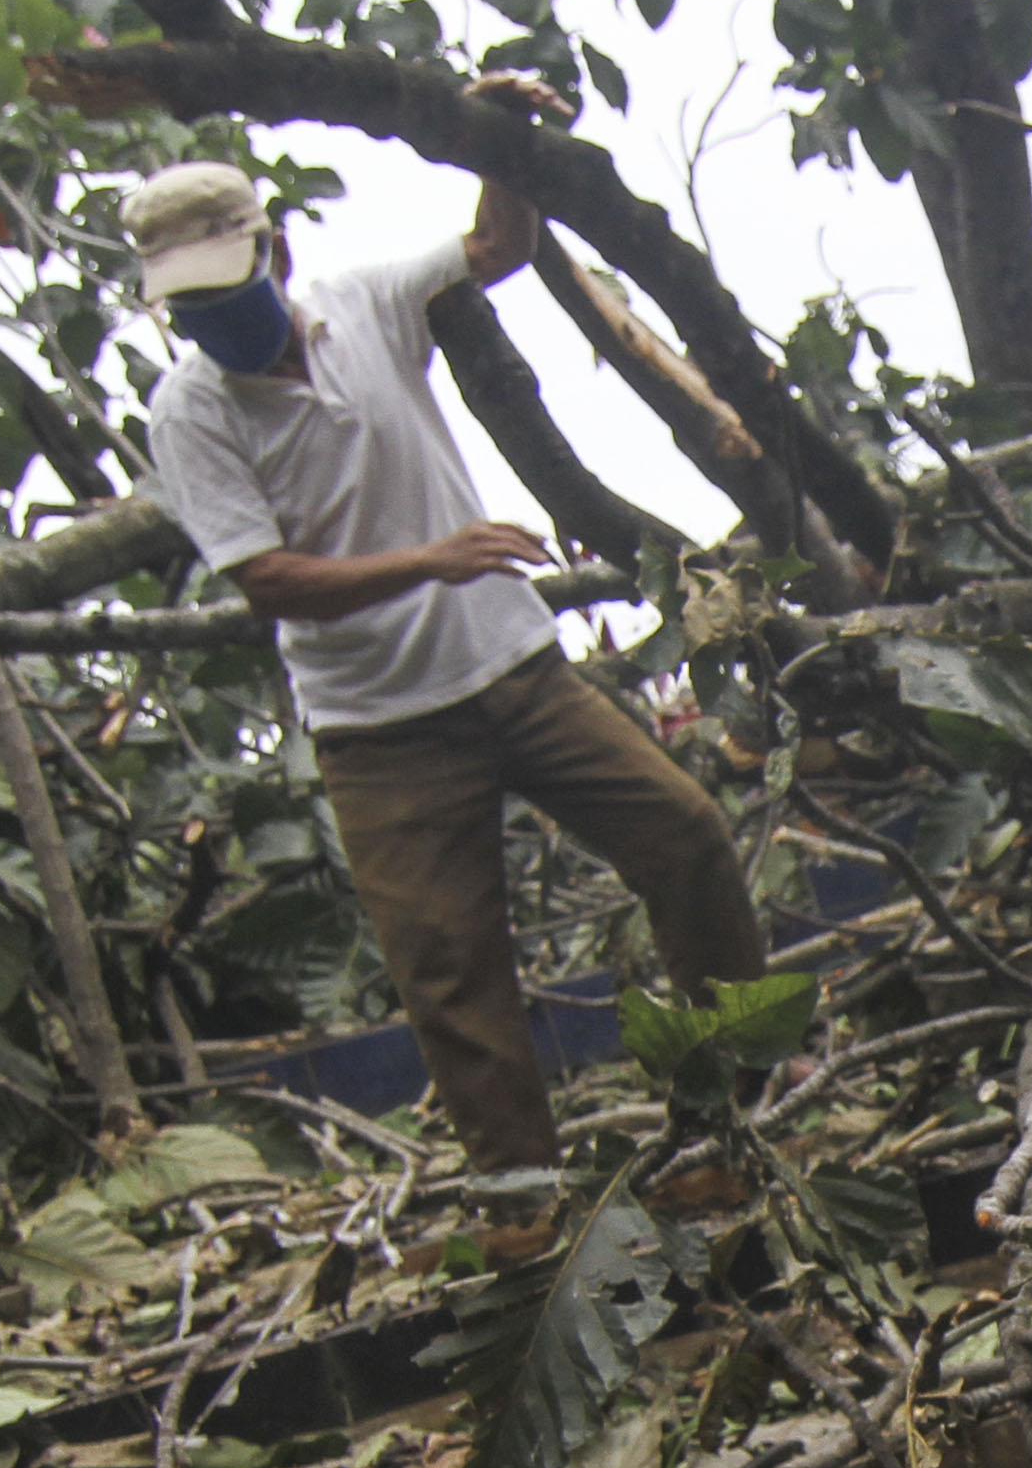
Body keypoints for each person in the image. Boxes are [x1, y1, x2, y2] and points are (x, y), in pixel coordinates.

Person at [122, 99, 769, 1176]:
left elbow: (495, 246)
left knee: (686, 835)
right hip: (376, 728)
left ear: (273, 255)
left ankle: (741, 1099)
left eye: (225, 295)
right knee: (450, 974)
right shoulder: (190, 414)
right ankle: (525, 1200)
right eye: (188, 310)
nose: (212, 324)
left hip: (509, 669)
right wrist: (431, 558)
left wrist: (495, 135)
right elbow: (267, 582)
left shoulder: (363, 302)